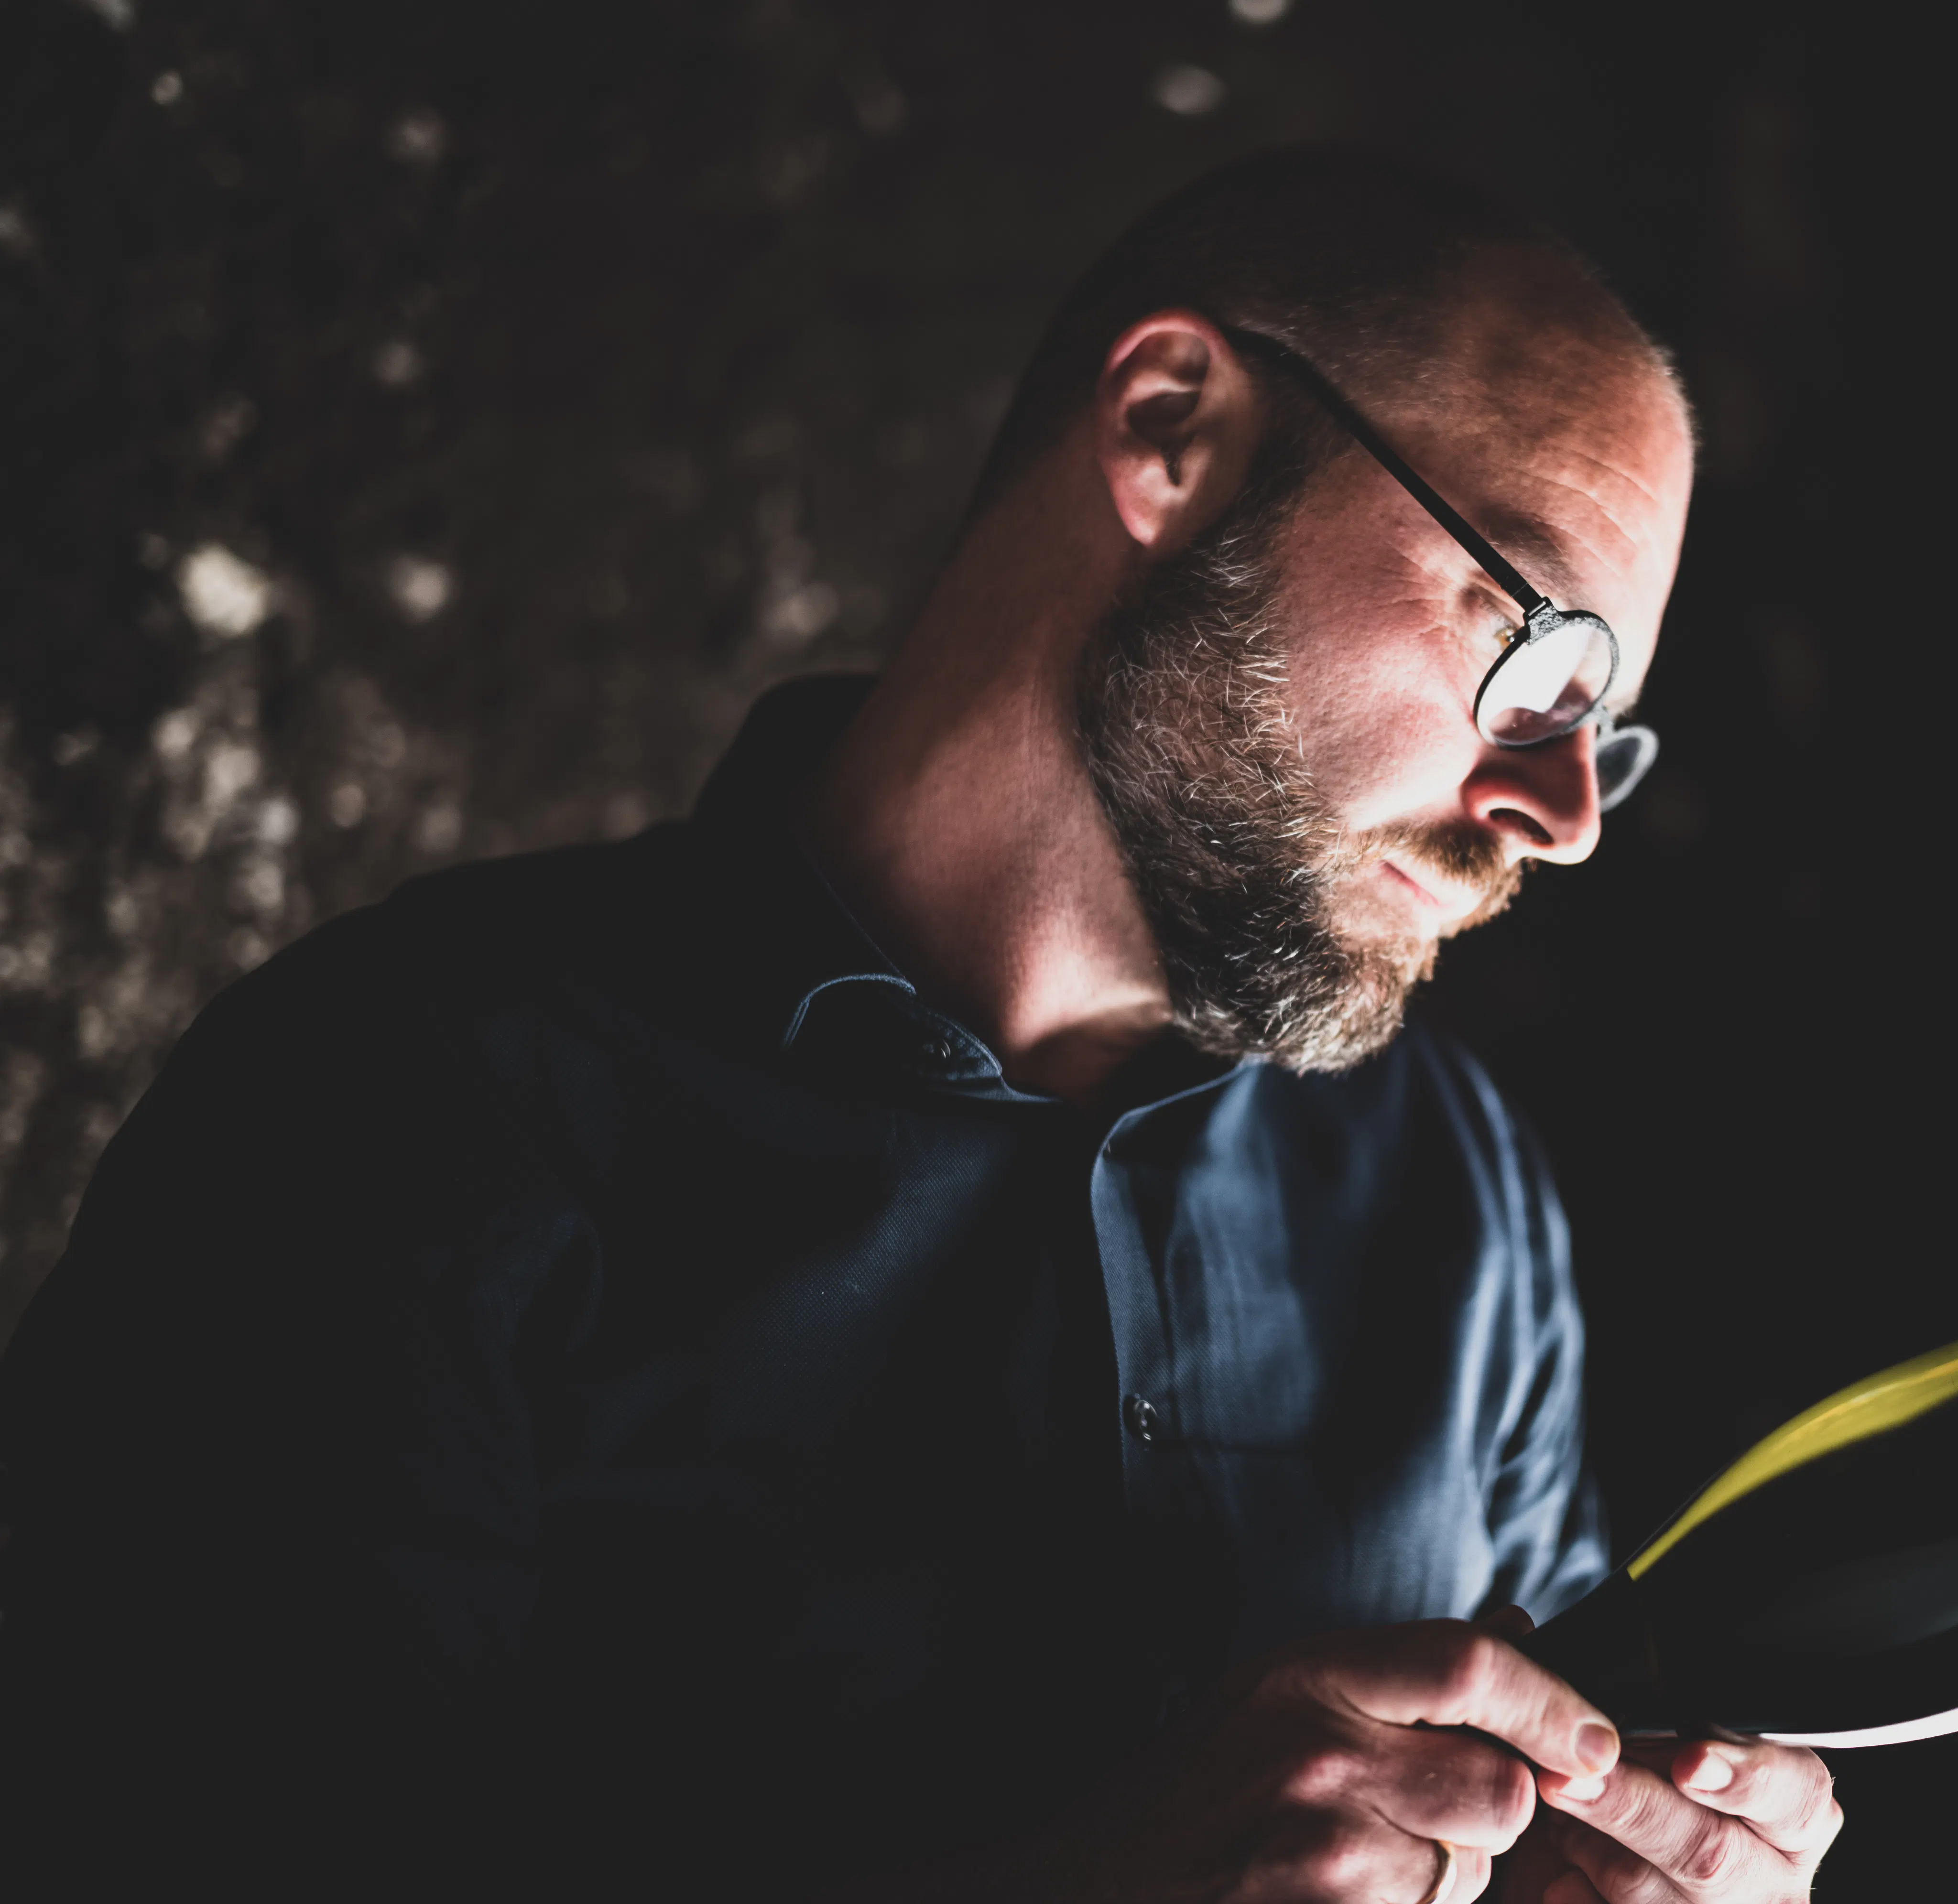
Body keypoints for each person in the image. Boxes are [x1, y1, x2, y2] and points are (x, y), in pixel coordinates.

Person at [0, 152, 1840, 1902]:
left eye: (1607, 732)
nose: (1565, 815)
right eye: (1537, 653)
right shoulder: (389, 1112)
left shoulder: (1461, 1191)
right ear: (1171, 431)